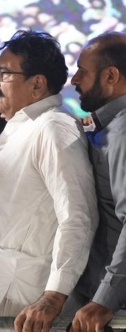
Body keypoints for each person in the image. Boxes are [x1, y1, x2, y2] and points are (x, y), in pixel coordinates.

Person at [0, 30, 98, 330]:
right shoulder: (23, 126)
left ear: (37, 84)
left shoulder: (54, 127)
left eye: (3, 74)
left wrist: (53, 297)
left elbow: (78, 216)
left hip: (17, 301)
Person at [66, 31, 126, 332]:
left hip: (111, 311)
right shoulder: (109, 127)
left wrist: (105, 298)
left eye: (83, 71)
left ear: (111, 75)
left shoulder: (123, 131)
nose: (75, 80)